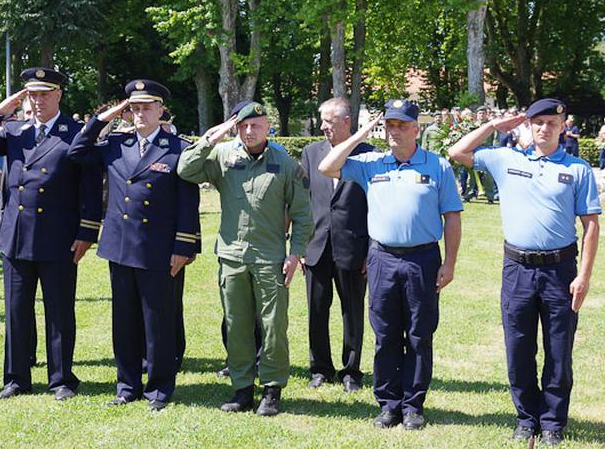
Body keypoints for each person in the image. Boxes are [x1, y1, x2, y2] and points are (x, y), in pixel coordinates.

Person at [448, 99, 600, 446]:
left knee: (558, 348)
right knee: (518, 347)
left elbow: (591, 225)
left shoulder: (578, 169)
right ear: (528, 125)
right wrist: (494, 126)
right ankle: (526, 418)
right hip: (517, 268)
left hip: (560, 270)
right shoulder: (506, 159)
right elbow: (457, 152)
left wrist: (584, 276)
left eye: (552, 123)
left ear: (562, 127)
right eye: (538, 122)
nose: (544, 128)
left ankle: (553, 422)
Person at [318, 99, 462, 430]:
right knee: (385, 333)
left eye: (402, 125)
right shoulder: (371, 163)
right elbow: (326, 167)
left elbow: (452, 217)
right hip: (382, 258)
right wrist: (360, 134)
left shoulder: (437, 166)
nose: (394, 131)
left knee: (419, 334)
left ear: (416, 129)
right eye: (390, 125)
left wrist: (450, 263)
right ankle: (388, 404)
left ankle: (413, 406)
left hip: (423, 259)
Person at [0, 67, 103, 401]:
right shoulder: (15, 130)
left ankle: (61, 379)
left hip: (58, 236)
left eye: (44, 94)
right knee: (16, 311)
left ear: (58, 95)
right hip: (16, 236)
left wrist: (87, 231)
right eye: (33, 95)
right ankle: (16, 378)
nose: (38, 101)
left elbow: (90, 187)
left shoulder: (75, 132)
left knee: (59, 311)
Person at [68, 80, 201, 411]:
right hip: (121, 246)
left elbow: (188, 202)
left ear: (161, 110)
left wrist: (184, 247)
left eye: (147, 107)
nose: (140, 113)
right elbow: (77, 151)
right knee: (124, 321)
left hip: (158, 249)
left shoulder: (178, 148)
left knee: (158, 322)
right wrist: (107, 116)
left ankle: (159, 389)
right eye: (135, 108)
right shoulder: (116, 143)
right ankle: (127, 386)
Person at [178, 100, 313, 417]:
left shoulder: (285, 162)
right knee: (236, 325)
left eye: (256, 125)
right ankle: (242, 389)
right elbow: (186, 169)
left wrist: (295, 253)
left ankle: (272, 389)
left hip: (270, 258)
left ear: (268, 127)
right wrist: (211, 138)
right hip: (232, 256)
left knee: (273, 326)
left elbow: (303, 214)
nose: (249, 131)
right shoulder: (223, 156)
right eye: (243, 125)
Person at [300, 98, 373, 392]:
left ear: (346, 122)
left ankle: (351, 371)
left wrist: (370, 250)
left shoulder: (369, 155)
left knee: (352, 312)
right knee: (316, 310)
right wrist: (299, 246)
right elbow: (302, 201)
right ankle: (320, 368)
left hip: (353, 246)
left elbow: (376, 206)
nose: (323, 126)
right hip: (316, 246)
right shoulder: (310, 153)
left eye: (329, 121)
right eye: (322, 121)